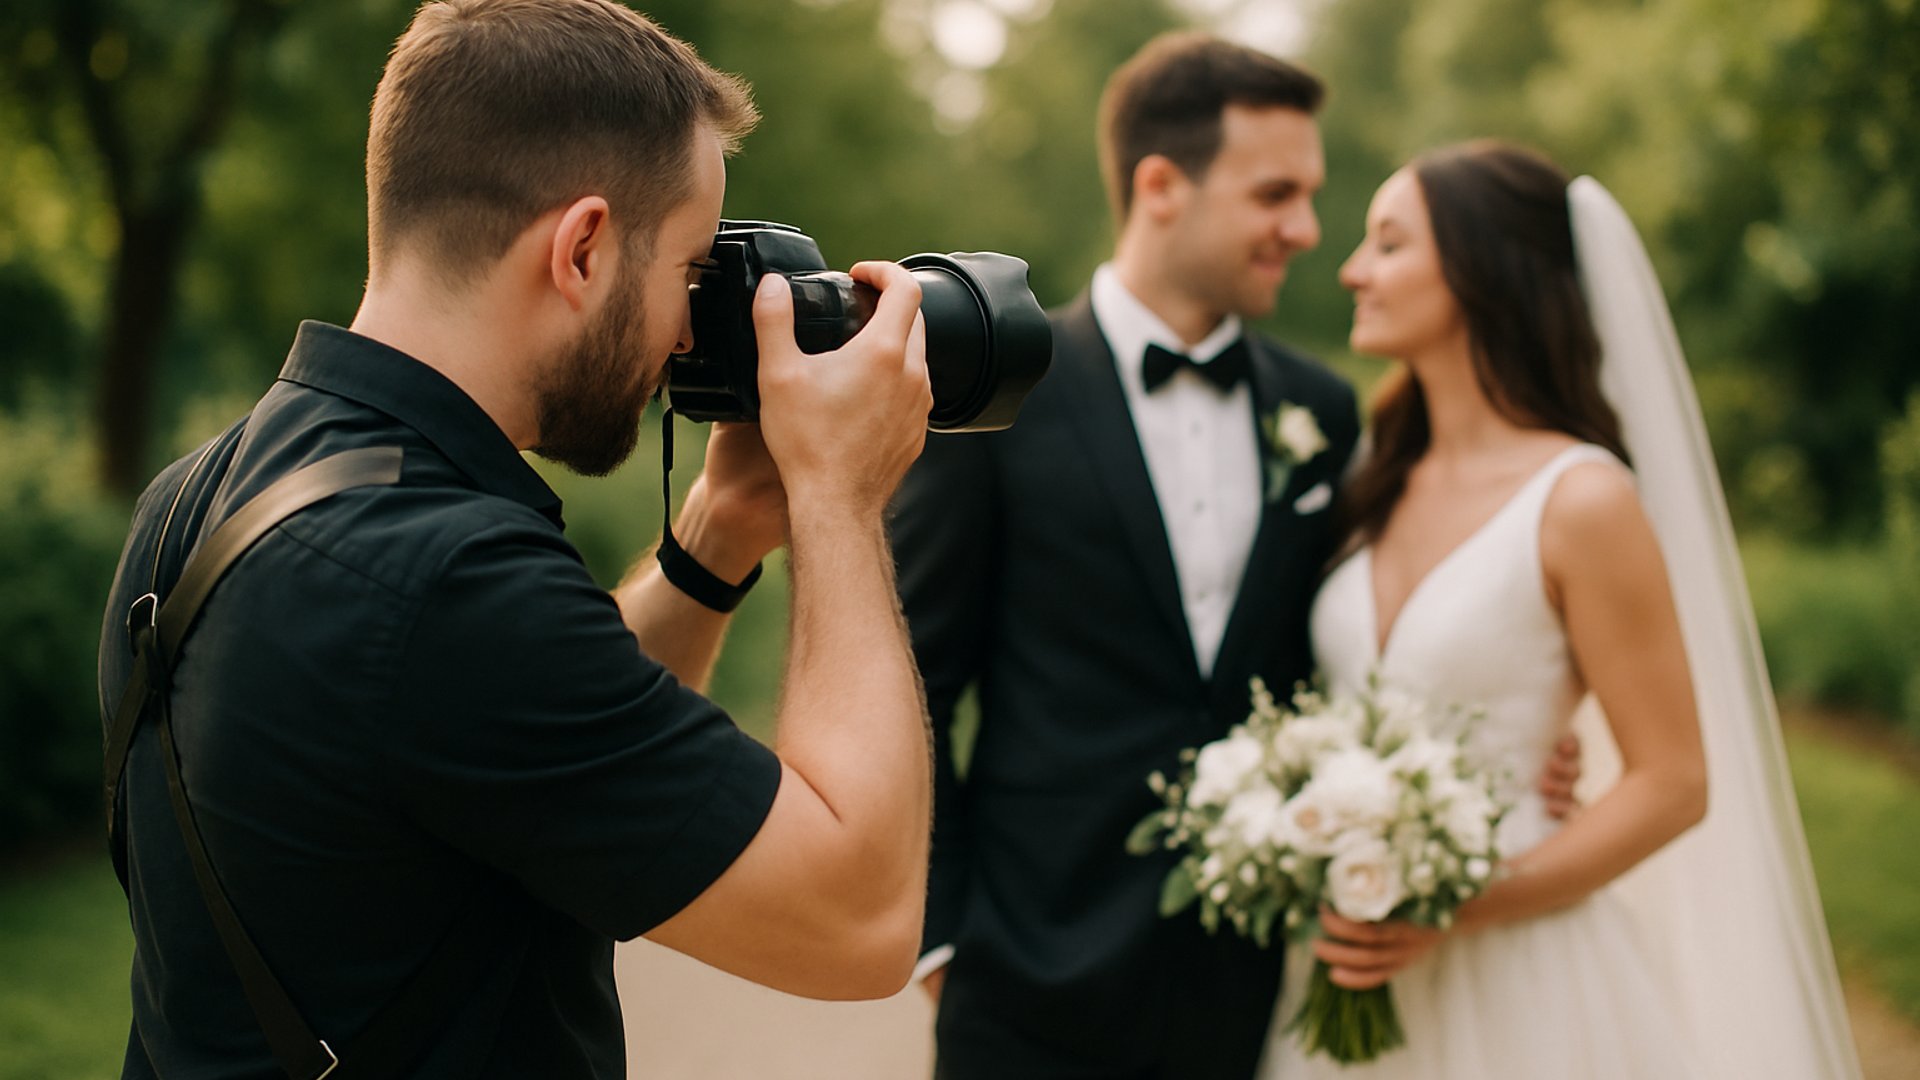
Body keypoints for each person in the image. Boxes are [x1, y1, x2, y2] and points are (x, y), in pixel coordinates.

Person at [96, 2, 935, 1078]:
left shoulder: (195, 499)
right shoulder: (447, 583)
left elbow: (528, 743)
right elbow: (857, 917)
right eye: (687, 272)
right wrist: (840, 497)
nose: (690, 330)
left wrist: (717, 533)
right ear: (582, 248)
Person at [892, 33, 1580, 1079]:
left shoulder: (1324, 411)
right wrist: (939, 938)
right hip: (1025, 981)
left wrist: (1522, 747)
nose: (1305, 229)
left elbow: (1388, 631)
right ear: (1161, 185)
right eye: (1275, 195)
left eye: (1309, 195)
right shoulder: (997, 405)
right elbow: (913, 687)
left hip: (1256, 981)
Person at [1255, 141, 1862, 1079]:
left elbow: (1674, 781)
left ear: (1479, 270)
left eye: (1388, 243)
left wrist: (1451, 906)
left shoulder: (1582, 500)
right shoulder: (1376, 468)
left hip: (1520, 975)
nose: (1352, 269)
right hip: (1343, 967)